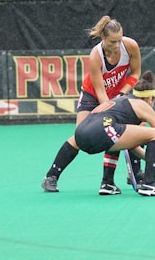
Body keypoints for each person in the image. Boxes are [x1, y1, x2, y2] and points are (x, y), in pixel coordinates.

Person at [42, 70, 155, 196]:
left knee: (119, 135)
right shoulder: (143, 106)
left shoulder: (119, 102)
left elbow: (131, 145)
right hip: (103, 133)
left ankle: (53, 176)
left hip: (81, 134)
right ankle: (150, 184)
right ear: (150, 98)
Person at [42, 15, 142, 195]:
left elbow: (135, 73)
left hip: (118, 95)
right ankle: (51, 176)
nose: (117, 45)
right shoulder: (96, 56)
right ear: (104, 38)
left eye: (120, 40)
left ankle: (119, 178)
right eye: (113, 41)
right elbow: (100, 91)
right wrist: (111, 110)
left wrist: (122, 94)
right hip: (93, 95)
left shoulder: (130, 46)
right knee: (82, 136)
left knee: (121, 132)